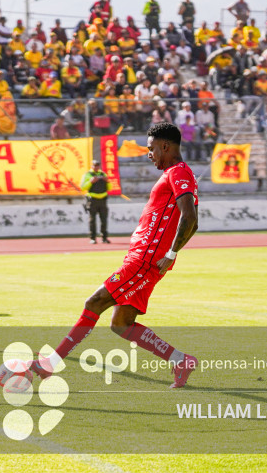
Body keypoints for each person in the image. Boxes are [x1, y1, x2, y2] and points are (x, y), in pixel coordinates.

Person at [28, 123, 199, 389]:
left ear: (165, 146)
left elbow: (190, 218)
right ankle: (180, 360)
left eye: (151, 148)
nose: (149, 154)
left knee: (94, 302)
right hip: (143, 259)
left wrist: (171, 253)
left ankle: (49, 364)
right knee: (121, 324)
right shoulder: (173, 174)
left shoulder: (179, 173)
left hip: (144, 261)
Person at [81, 159, 111, 244]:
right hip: (92, 200)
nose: (96, 167)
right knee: (92, 220)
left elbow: (110, 188)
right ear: (91, 166)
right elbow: (83, 187)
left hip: (103, 200)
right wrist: (91, 181)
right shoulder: (87, 175)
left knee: (104, 220)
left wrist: (107, 181)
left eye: (97, 165)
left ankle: (104, 238)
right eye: (94, 165)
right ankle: (93, 238)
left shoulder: (103, 174)